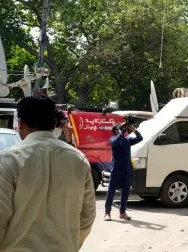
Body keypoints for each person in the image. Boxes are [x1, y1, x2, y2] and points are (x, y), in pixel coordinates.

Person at [0, 96, 96, 251]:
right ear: (53, 124)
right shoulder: (78, 159)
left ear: (21, 123)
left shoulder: (9, 160)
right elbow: (87, 216)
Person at [104, 121, 143, 221]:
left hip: (127, 169)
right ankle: (107, 213)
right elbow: (115, 142)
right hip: (116, 169)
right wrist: (121, 132)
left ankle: (122, 212)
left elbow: (140, 138)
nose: (123, 130)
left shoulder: (127, 140)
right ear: (116, 131)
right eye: (120, 128)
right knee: (111, 190)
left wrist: (133, 129)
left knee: (125, 191)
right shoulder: (113, 139)